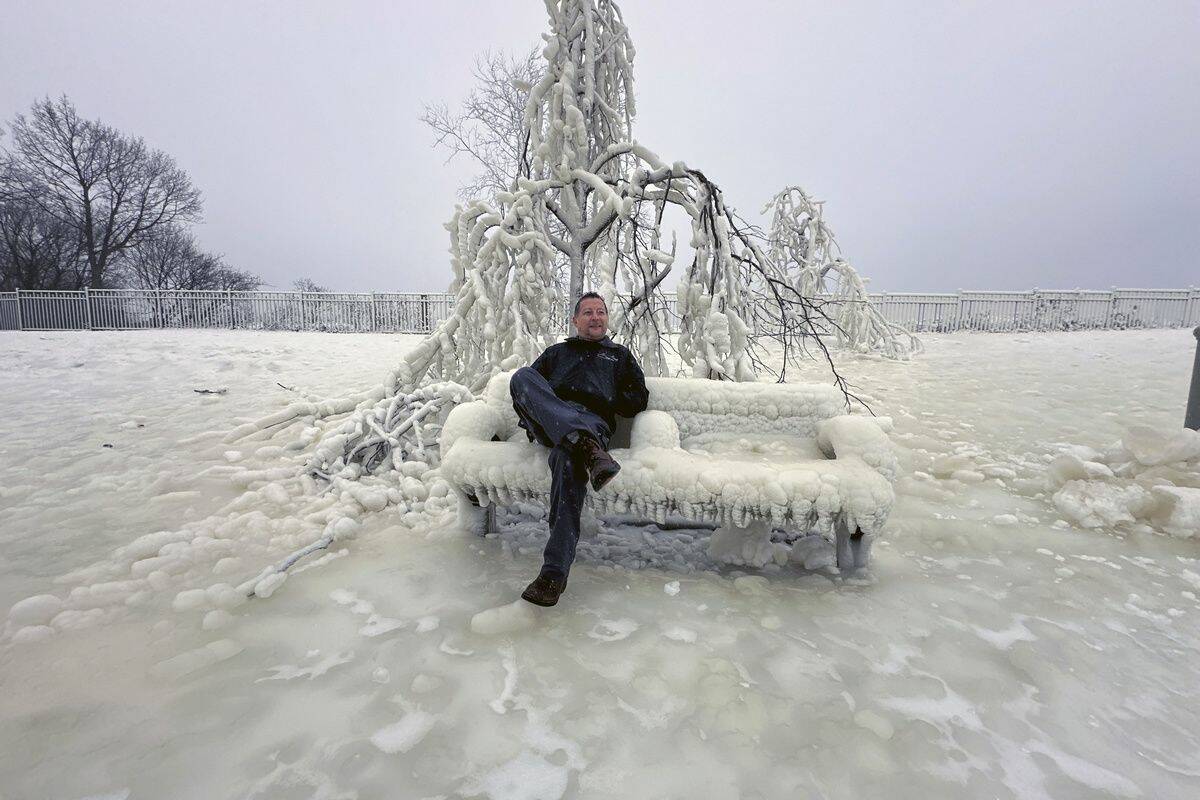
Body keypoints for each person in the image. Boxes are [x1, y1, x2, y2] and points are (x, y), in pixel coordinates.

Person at [509, 292, 649, 606]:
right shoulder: (556, 353)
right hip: (553, 424)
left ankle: (553, 574)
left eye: (601, 312)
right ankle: (583, 444)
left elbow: (639, 399)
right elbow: (527, 392)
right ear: (575, 320)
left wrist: (610, 396)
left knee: (568, 462)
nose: (596, 317)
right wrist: (551, 414)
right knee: (520, 376)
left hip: (593, 425)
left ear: (607, 319)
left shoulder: (620, 356)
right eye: (588, 312)